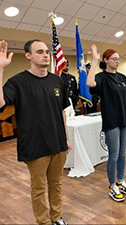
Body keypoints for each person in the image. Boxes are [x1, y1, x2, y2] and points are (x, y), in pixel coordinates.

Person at [0, 40, 71, 225]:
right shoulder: (17, 82)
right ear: (28, 56)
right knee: (39, 188)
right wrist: (0, 69)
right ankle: (44, 222)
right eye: (40, 52)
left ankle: (57, 218)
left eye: (47, 51)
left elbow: (62, 112)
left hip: (58, 143)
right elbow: (0, 104)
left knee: (56, 185)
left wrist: (67, 139)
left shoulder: (57, 80)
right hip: (35, 145)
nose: (46, 54)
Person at [86, 45, 126, 202]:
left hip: (124, 120)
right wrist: (94, 60)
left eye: (119, 59)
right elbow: (90, 83)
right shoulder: (101, 78)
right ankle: (112, 185)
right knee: (113, 155)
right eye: (114, 59)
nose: (118, 61)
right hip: (111, 120)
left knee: (122, 153)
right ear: (106, 60)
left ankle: (120, 181)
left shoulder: (122, 78)